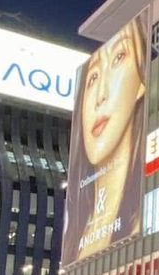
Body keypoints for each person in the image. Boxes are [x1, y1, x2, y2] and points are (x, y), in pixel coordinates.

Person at [63, 18, 148, 262]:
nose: (101, 95)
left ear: (142, 82)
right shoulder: (73, 237)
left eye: (119, 57)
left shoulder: (144, 221)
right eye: (93, 78)